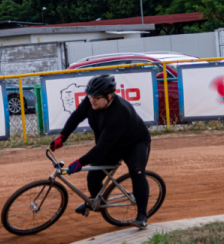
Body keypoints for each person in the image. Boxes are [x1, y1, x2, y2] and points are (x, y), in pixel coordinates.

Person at [50, 74, 151, 229]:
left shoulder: (120, 112)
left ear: (109, 96)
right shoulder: (91, 101)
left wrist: (80, 162)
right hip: (112, 144)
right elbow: (76, 117)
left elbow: (101, 148)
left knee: (137, 171)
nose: (92, 100)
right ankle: (98, 201)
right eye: (90, 97)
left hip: (134, 143)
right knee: (93, 177)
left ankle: (142, 216)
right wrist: (62, 136)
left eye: (97, 97)